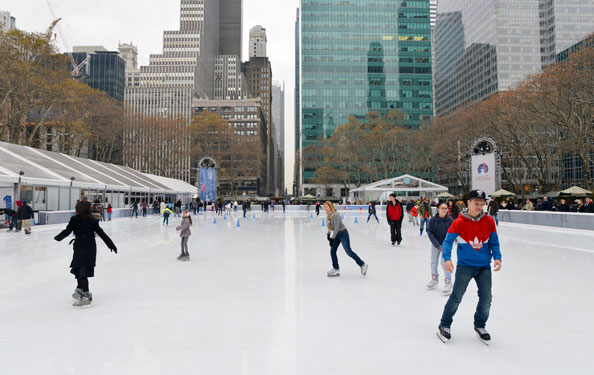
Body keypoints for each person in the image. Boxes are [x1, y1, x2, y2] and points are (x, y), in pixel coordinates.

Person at [437, 189, 502, 344]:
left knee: (486, 298)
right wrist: (447, 259)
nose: (479, 206)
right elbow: (447, 242)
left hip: (484, 267)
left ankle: (480, 325)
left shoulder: (489, 222)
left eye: (482, 203)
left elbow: (494, 242)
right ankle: (444, 324)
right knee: (456, 297)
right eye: (476, 203)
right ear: (469, 203)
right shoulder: (458, 222)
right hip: (465, 266)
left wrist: (497, 257)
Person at [54, 200, 117, 308]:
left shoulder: (84, 220)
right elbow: (101, 233)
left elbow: (68, 231)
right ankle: (80, 289)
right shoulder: (90, 220)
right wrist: (58, 237)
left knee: (82, 270)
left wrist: (110, 244)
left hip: (84, 247)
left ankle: (87, 294)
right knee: (78, 268)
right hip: (85, 247)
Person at [324, 201, 368, 277]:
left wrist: (332, 239)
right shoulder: (328, 215)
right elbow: (330, 226)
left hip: (343, 234)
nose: (325, 209)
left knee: (348, 251)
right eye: (324, 207)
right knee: (332, 251)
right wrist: (328, 234)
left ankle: (363, 264)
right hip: (336, 234)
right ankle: (336, 269)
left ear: (331, 207)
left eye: (327, 207)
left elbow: (337, 227)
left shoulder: (335, 214)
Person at [426, 202, 454, 296]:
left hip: (446, 245)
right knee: (433, 262)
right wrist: (437, 245)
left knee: (444, 263)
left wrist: (445, 245)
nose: (444, 210)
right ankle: (434, 279)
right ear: (438, 209)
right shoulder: (433, 220)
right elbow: (430, 233)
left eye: (446, 208)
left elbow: (452, 233)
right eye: (442, 208)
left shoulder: (450, 220)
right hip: (435, 244)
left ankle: (448, 282)